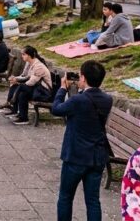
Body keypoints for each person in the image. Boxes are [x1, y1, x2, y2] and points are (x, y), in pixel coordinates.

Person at [52, 60, 113, 221]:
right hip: (97, 156)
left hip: (75, 156)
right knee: (93, 200)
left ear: (84, 78)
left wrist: (62, 88)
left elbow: (56, 109)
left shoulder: (78, 101)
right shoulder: (107, 99)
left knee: (66, 197)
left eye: (80, 76)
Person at [5, 46, 51, 125]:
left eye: (23, 54)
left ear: (29, 55)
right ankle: (17, 112)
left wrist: (18, 82)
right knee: (19, 88)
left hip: (43, 91)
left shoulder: (38, 66)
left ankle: (13, 103)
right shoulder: (30, 63)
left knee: (22, 89)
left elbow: (31, 82)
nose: (22, 56)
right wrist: (15, 79)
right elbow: (25, 76)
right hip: (35, 88)